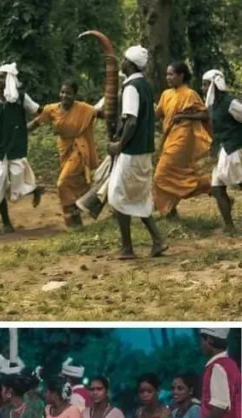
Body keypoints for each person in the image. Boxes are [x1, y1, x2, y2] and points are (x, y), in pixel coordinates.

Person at [106, 45, 169, 259]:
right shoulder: (145, 85)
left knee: (118, 196)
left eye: (124, 60)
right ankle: (157, 241)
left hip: (132, 152)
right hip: (143, 150)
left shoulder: (132, 87)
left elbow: (131, 121)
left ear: (130, 64)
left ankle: (127, 248)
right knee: (139, 198)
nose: (122, 63)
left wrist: (119, 145)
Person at [0, 63, 45, 233]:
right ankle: (6, 223)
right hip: (0, 149)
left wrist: (28, 128)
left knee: (17, 185)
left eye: (2, 76)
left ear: (10, 79)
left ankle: (34, 190)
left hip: (17, 147)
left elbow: (38, 112)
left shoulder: (19, 97)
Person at [27, 80, 102, 227]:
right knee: (74, 182)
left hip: (80, 149)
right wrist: (17, 133)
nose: (64, 95)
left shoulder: (83, 109)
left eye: (68, 93)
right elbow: (35, 123)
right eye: (62, 92)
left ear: (74, 95)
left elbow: (101, 113)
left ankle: (72, 211)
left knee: (62, 182)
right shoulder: (51, 109)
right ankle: (75, 218)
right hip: (64, 150)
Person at [153, 62, 213, 218]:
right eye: (167, 74)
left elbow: (205, 115)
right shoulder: (166, 94)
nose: (168, 77)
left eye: (171, 74)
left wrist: (185, 116)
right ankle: (171, 211)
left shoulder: (190, 94)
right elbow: (158, 114)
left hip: (183, 139)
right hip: (169, 138)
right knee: (174, 175)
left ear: (181, 75)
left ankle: (208, 184)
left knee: (161, 175)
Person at [202, 69, 242, 234]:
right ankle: (229, 226)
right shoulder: (213, 105)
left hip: (233, 149)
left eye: (205, 85)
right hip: (223, 149)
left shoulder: (230, 103)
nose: (203, 88)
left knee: (239, 183)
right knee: (218, 187)